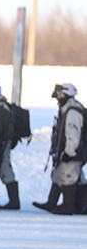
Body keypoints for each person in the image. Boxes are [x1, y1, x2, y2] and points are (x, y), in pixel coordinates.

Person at [34, 84, 84, 215]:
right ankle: (52, 202)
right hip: (64, 151)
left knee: (68, 176)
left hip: (72, 152)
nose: (58, 98)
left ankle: (68, 206)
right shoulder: (66, 110)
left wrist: (70, 152)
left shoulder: (72, 112)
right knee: (58, 174)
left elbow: (73, 134)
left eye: (61, 95)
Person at [0, 83, 20, 210]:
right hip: (3, 143)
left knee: (2, 168)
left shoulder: (1, 107)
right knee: (2, 168)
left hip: (2, 144)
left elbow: (2, 128)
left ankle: (13, 201)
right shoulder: (1, 105)